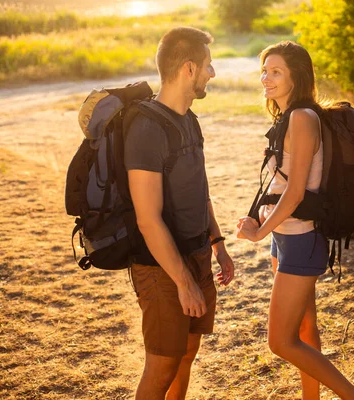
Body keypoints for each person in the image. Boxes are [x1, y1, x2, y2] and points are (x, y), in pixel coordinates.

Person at [236, 41, 354, 400]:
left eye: (276, 72)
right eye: (264, 71)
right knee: (304, 327)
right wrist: (261, 219)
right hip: (285, 236)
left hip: (301, 238)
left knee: (280, 342)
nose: (265, 79)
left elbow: (297, 191)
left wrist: (259, 232)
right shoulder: (288, 116)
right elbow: (280, 182)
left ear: (296, 77)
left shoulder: (302, 117)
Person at [124, 27, 234, 400]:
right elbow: (147, 218)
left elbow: (199, 191)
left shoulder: (190, 120)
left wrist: (217, 243)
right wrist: (183, 281)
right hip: (161, 269)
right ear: (189, 68)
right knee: (162, 367)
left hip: (198, 253)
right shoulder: (146, 128)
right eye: (208, 65)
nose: (212, 73)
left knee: (186, 354)